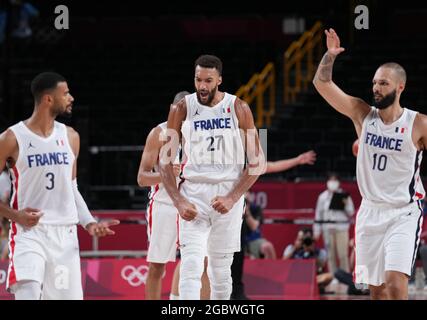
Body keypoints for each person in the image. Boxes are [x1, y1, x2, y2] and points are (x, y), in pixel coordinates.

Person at [313, 28, 425, 300]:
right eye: (375, 82)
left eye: (384, 83)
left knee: (396, 283)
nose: (376, 87)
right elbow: (322, 84)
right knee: (376, 291)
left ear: (400, 87)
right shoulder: (362, 114)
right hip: (370, 212)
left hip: (403, 212)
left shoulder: (418, 123)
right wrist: (329, 56)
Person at [0, 72, 119, 300]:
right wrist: (15, 215)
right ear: (48, 99)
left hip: (65, 235)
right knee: (30, 293)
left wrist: (89, 223)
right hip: (29, 233)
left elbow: (71, 188)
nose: (71, 98)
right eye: (65, 93)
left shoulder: (71, 136)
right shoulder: (12, 138)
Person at [159, 54, 266, 300]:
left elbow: (259, 161)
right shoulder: (181, 107)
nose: (202, 86)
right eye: (198, 80)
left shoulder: (240, 107)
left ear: (220, 79)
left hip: (227, 195)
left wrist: (232, 197)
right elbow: (164, 160)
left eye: (208, 80)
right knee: (191, 265)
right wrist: (178, 200)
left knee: (220, 270)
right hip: (193, 194)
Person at [137, 91, 210, 300]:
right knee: (157, 267)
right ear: (173, 108)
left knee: (202, 262)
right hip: (164, 206)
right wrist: (164, 174)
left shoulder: (200, 136)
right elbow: (142, 177)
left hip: (193, 205)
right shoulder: (158, 133)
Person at [313, 172, 355, 273]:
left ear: (339, 182)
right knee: (330, 255)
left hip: (341, 228)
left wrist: (345, 205)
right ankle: (332, 276)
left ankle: (345, 276)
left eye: (335, 180)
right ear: (327, 182)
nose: (332, 182)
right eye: (330, 180)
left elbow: (351, 212)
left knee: (342, 255)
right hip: (327, 229)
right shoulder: (322, 197)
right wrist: (316, 231)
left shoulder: (344, 196)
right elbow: (318, 214)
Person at [284, 228, 333, 293]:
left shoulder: (320, 252)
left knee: (328, 276)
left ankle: (308, 287)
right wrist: (295, 249)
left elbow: (321, 265)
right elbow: (283, 263)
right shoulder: (291, 248)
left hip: (312, 279)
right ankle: (305, 287)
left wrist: (312, 253)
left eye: (308, 240)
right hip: (295, 278)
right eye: (302, 240)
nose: (305, 242)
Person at [244, 191, 276, 259]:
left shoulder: (256, 208)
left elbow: (254, 227)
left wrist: (246, 211)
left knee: (268, 247)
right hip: (237, 240)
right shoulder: (233, 208)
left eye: (247, 192)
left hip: (252, 240)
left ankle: (273, 268)